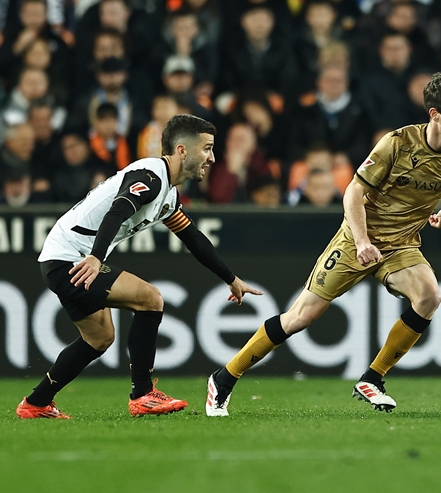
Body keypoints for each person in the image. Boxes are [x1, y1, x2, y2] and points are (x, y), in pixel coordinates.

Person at [206, 72, 441, 416]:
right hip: (356, 239)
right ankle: (224, 378)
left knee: (430, 296)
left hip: (401, 245)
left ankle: (372, 379)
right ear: (435, 115)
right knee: (300, 317)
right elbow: (353, 191)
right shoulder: (397, 144)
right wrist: (363, 240)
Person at [17, 114, 262, 419]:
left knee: (99, 338)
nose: (212, 158)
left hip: (64, 258)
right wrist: (96, 256)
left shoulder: (168, 193)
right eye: (207, 149)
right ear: (182, 150)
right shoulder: (150, 177)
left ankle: (36, 403)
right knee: (150, 298)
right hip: (71, 259)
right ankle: (143, 395)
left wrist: (231, 278)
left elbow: (193, 238)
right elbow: (117, 211)